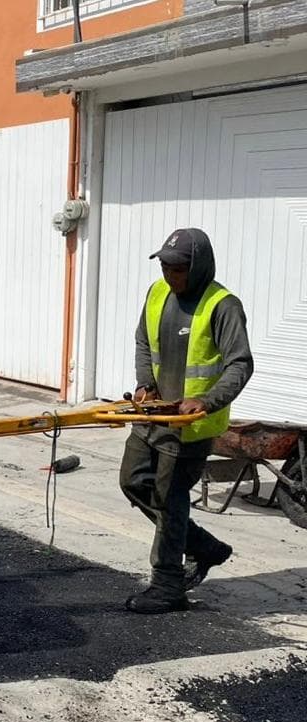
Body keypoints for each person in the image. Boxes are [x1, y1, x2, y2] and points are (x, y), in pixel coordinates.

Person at [120, 228, 253, 614]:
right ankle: (203, 546)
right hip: (152, 416)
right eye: (163, 266)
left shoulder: (222, 305)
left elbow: (240, 363)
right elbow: (143, 341)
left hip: (190, 428)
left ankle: (167, 585)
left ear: (197, 267)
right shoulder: (157, 293)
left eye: (176, 269)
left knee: (170, 500)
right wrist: (145, 383)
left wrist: (207, 401)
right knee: (132, 482)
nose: (168, 275)